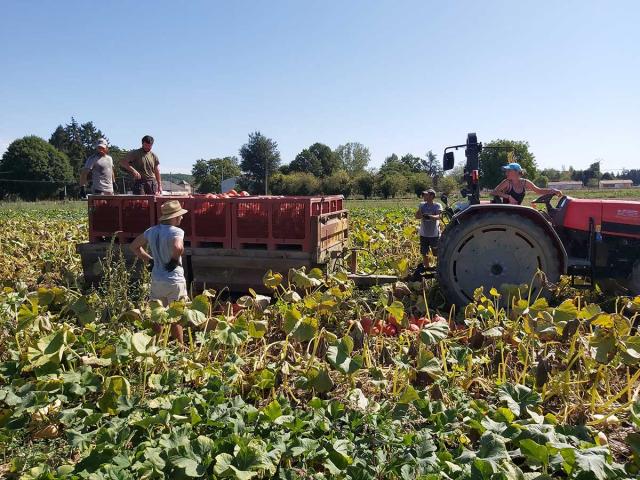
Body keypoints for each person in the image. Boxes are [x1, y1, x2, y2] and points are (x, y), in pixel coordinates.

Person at [130, 200, 188, 342]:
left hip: (157, 280)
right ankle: (180, 349)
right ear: (174, 218)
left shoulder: (151, 231)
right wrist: (174, 260)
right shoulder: (177, 231)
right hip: (174, 280)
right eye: (180, 216)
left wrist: (149, 260)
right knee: (176, 316)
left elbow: (134, 246)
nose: (181, 218)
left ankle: (155, 344)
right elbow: (178, 247)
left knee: (158, 315)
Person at [491, 162, 562, 205]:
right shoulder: (507, 182)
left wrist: (553, 190)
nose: (506, 173)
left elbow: (538, 190)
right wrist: (508, 197)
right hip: (506, 211)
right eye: (506, 171)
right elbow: (494, 192)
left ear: (516, 172)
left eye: (509, 171)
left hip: (517, 210)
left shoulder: (525, 182)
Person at [415, 188, 442, 267]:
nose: (424, 196)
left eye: (426, 195)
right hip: (423, 233)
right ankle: (427, 268)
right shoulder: (422, 205)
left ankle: (439, 268)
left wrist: (430, 216)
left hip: (434, 234)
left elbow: (440, 216)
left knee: (437, 253)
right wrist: (420, 210)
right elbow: (417, 216)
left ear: (431, 196)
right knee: (424, 253)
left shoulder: (437, 205)